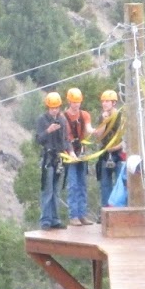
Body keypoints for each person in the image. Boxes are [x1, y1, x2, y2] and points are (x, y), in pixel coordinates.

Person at [35, 92, 67, 229]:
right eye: (52, 107)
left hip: (58, 158)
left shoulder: (62, 120)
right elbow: (38, 139)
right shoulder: (42, 120)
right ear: (48, 107)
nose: (54, 110)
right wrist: (48, 130)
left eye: (57, 107)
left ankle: (55, 219)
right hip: (48, 158)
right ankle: (46, 220)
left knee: (56, 190)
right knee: (47, 190)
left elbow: (64, 140)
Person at [61, 87, 92, 226]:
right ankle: (74, 215)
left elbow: (89, 129)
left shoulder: (84, 115)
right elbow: (65, 137)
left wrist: (99, 131)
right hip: (70, 154)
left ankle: (82, 214)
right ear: (69, 102)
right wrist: (71, 153)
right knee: (73, 185)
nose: (76, 104)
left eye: (78, 102)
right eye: (74, 102)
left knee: (82, 184)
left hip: (81, 152)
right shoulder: (63, 118)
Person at [90, 89, 124, 211]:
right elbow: (99, 136)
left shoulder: (120, 116)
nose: (104, 104)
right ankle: (106, 211)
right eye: (103, 101)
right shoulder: (102, 116)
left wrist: (116, 147)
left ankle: (120, 209)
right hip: (105, 153)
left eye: (107, 101)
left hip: (118, 153)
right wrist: (104, 121)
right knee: (105, 185)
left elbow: (125, 136)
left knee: (120, 183)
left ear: (113, 103)